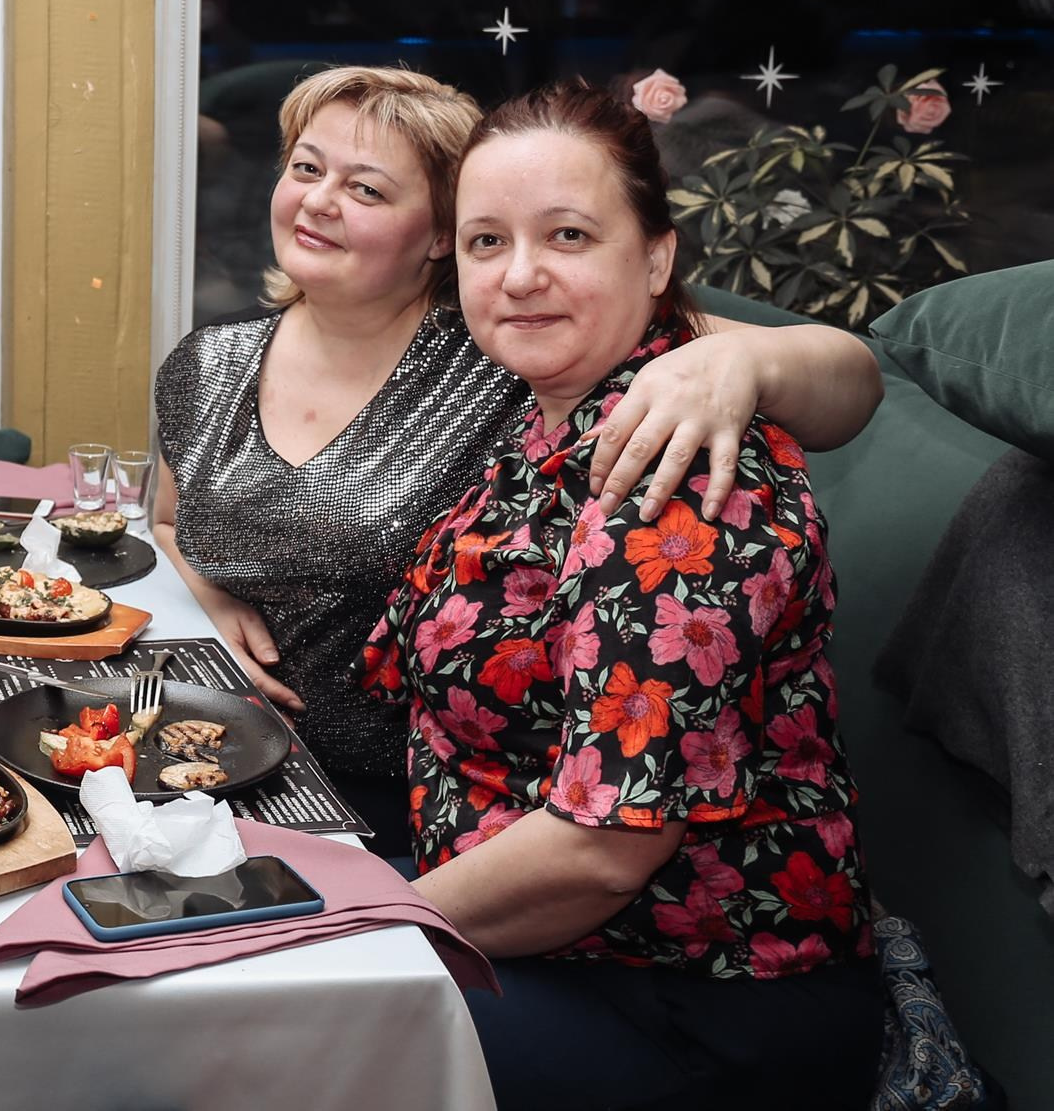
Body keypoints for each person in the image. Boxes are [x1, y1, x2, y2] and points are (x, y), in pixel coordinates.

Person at [151, 67, 882, 852]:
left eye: (366, 188)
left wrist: (736, 366)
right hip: (217, 767)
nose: (321, 199)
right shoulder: (208, 363)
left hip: (405, 806)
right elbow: (164, 521)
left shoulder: (509, 342)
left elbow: (852, 377)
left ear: (438, 236)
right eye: (306, 168)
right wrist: (201, 607)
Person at [360, 79, 881, 1109]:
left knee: (221, 1040)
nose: (518, 276)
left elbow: (602, 852)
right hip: (534, 939)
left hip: (687, 1006)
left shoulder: (677, 475)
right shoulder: (559, 411)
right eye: (484, 243)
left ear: (655, 256)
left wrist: (345, 934)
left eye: (566, 235)